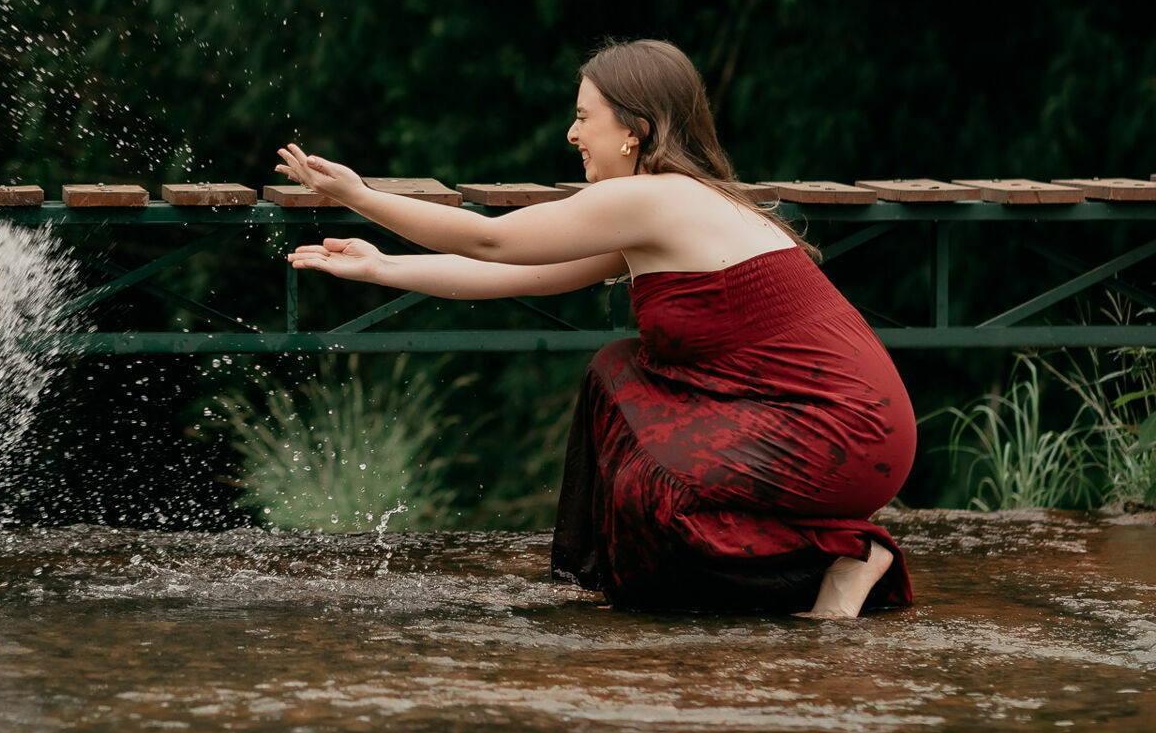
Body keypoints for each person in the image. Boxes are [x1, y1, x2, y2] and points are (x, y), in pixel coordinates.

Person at [276, 38, 916, 619]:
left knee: (643, 471)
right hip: (852, 429)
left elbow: (493, 239)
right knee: (621, 372)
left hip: (839, 428)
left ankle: (850, 553)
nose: (571, 133)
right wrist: (385, 266)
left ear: (634, 128)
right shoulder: (669, 205)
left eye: (584, 117)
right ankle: (832, 561)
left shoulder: (653, 197)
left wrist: (359, 195)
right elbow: (524, 275)